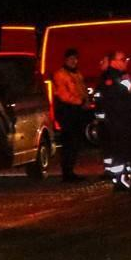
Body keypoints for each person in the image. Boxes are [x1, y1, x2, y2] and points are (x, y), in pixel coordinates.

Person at [95, 53, 131, 189]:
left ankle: (120, 178)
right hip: (118, 119)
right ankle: (119, 180)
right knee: (119, 150)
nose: (126, 62)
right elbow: (122, 97)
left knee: (120, 150)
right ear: (113, 62)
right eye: (123, 59)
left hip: (119, 118)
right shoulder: (111, 77)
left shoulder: (119, 75)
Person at [50, 47, 88, 181]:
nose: (74, 61)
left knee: (75, 143)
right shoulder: (61, 74)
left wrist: (86, 101)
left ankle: (70, 171)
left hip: (77, 111)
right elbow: (63, 94)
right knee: (69, 143)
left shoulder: (76, 73)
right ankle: (67, 173)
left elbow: (82, 89)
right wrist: (80, 101)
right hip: (67, 111)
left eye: (75, 58)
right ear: (66, 59)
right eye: (71, 58)